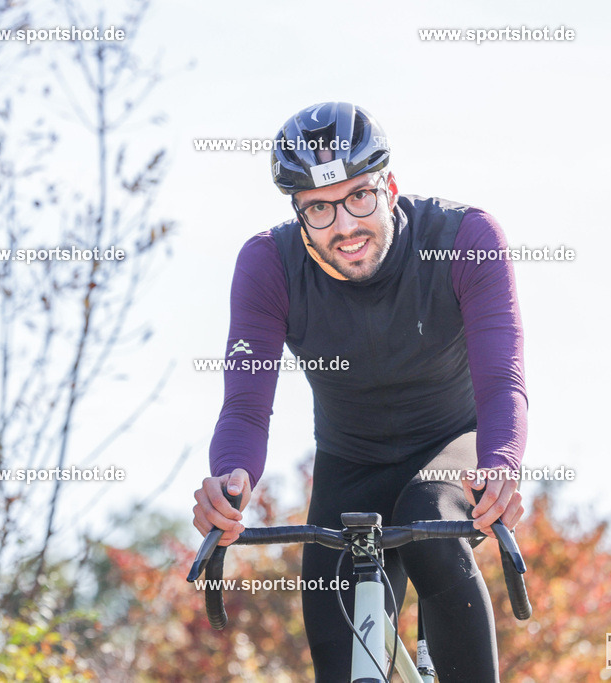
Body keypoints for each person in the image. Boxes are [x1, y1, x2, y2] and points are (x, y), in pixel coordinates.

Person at [191, 101, 527, 682]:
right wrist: (228, 482)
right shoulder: (268, 265)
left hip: (453, 449)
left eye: (359, 197)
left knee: (428, 525)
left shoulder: (467, 236)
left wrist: (501, 464)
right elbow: (246, 407)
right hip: (351, 463)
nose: (345, 226)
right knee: (334, 620)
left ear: (390, 187)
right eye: (319, 208)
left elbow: (502, 382)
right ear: (298, 215)